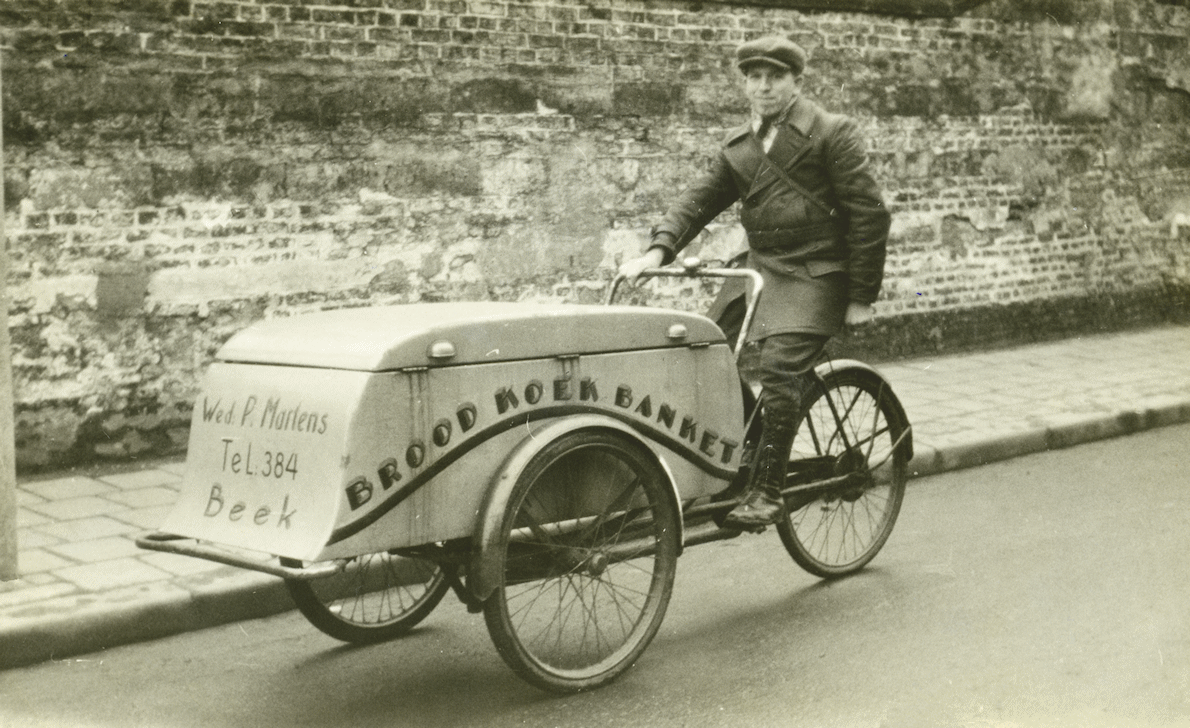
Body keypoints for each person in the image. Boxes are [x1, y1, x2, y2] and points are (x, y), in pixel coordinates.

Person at [618, 36, 890, 530]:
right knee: (702, 350)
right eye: (754, 77)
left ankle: (768, 490)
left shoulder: (831, 133)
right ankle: (755, 444)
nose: (763, 87)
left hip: (817, 271)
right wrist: (656, 252)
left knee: (780, 367)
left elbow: (870, 215)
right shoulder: (739, 145)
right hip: (762, 268)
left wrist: (861, 295)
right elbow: (698, 201)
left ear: (795, 82)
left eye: (775, 77)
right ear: (744, 82)